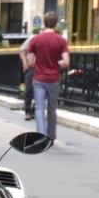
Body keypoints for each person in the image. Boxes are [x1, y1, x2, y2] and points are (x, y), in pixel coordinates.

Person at [25, 11, 69, 142]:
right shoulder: (61, 40)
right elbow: (66, 62)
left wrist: (39, 62)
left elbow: (30, 61)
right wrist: (55, 63)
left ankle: (41, 136)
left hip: (39, 78)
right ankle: (51, 136)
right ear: (55, 23)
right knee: (52, 108)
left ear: (44, 23)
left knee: (39, 108)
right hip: (54, 79)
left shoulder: (35, 40)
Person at [17, 35, 35, 121]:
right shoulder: (33, 38)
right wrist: (25, 62)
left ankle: (34, 111)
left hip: (43, 68)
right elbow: (22, 50)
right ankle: (28, 111)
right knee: (29, 89)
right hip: (32, 67)